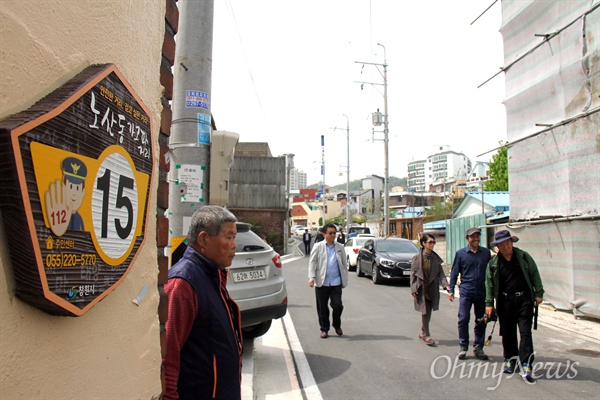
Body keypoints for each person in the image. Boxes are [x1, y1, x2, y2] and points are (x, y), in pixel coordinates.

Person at [163, 205, 243, 399]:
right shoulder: (183, 283)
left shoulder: (213, 274)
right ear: (204, 239)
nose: (234, 245)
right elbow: (168, 356)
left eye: (234, 238)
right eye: (229, 237)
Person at [485, 229, 544, 384]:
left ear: (512, 243)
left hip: (524, 300)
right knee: (508, 332)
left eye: (508, 243)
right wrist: (489, 304)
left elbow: (534, 274)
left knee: (525, 333)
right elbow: (489, 284)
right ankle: (510, 360)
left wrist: (539, 293)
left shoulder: (523, 257)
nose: (506, 247)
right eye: (502, 245)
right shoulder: (493, 264)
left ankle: (526, 363)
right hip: (505, 302)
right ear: (497, 246)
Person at [448, 227, 492, 360]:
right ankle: (463, 345)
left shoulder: (485, 253)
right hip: (466, 291)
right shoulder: (461, 254)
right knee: (463, 318)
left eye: (478, 236)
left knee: (481, 321)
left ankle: (478, 347)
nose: (476, 239)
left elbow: (491, 273)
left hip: (482, 292)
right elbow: (455, 272)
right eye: (473, 237)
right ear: (467, 238)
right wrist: (451, 290)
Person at [308, 223, 348, 338]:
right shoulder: (318, 246)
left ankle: (336, 324)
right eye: (330, 233)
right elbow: (312, 263)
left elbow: (344, 264)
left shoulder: (340, 247)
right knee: (322, 307)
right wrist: (311, 278)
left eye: (334, 233)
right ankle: (324, 329)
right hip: (322, 282)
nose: (333, 235)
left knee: (338, 305)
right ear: (324, 234)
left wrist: (344, 276)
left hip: (336, 282)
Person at [410, 234, 450, 346]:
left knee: (429, 311)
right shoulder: (417, 258)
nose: (432, 244)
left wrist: (446, 285)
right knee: (425, 311)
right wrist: (413, 288)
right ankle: (426, 335)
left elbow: (441, 274)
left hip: (432, 288)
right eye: (430, 242)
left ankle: (422, 331)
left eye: (433, 242)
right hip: (421, 288)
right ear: (423, 243)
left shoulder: (435, 258)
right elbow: (413, 275)